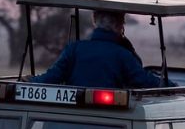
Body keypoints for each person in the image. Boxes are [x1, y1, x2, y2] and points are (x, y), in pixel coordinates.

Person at [29, 10, 169, 89]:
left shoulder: (73, 48)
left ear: (95, 21)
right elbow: (143, 79)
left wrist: (31, 82)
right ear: (120, 25)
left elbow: (52, 77)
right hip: (111, 122)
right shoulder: (123, 55)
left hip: (72, 121)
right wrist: (169, 85)